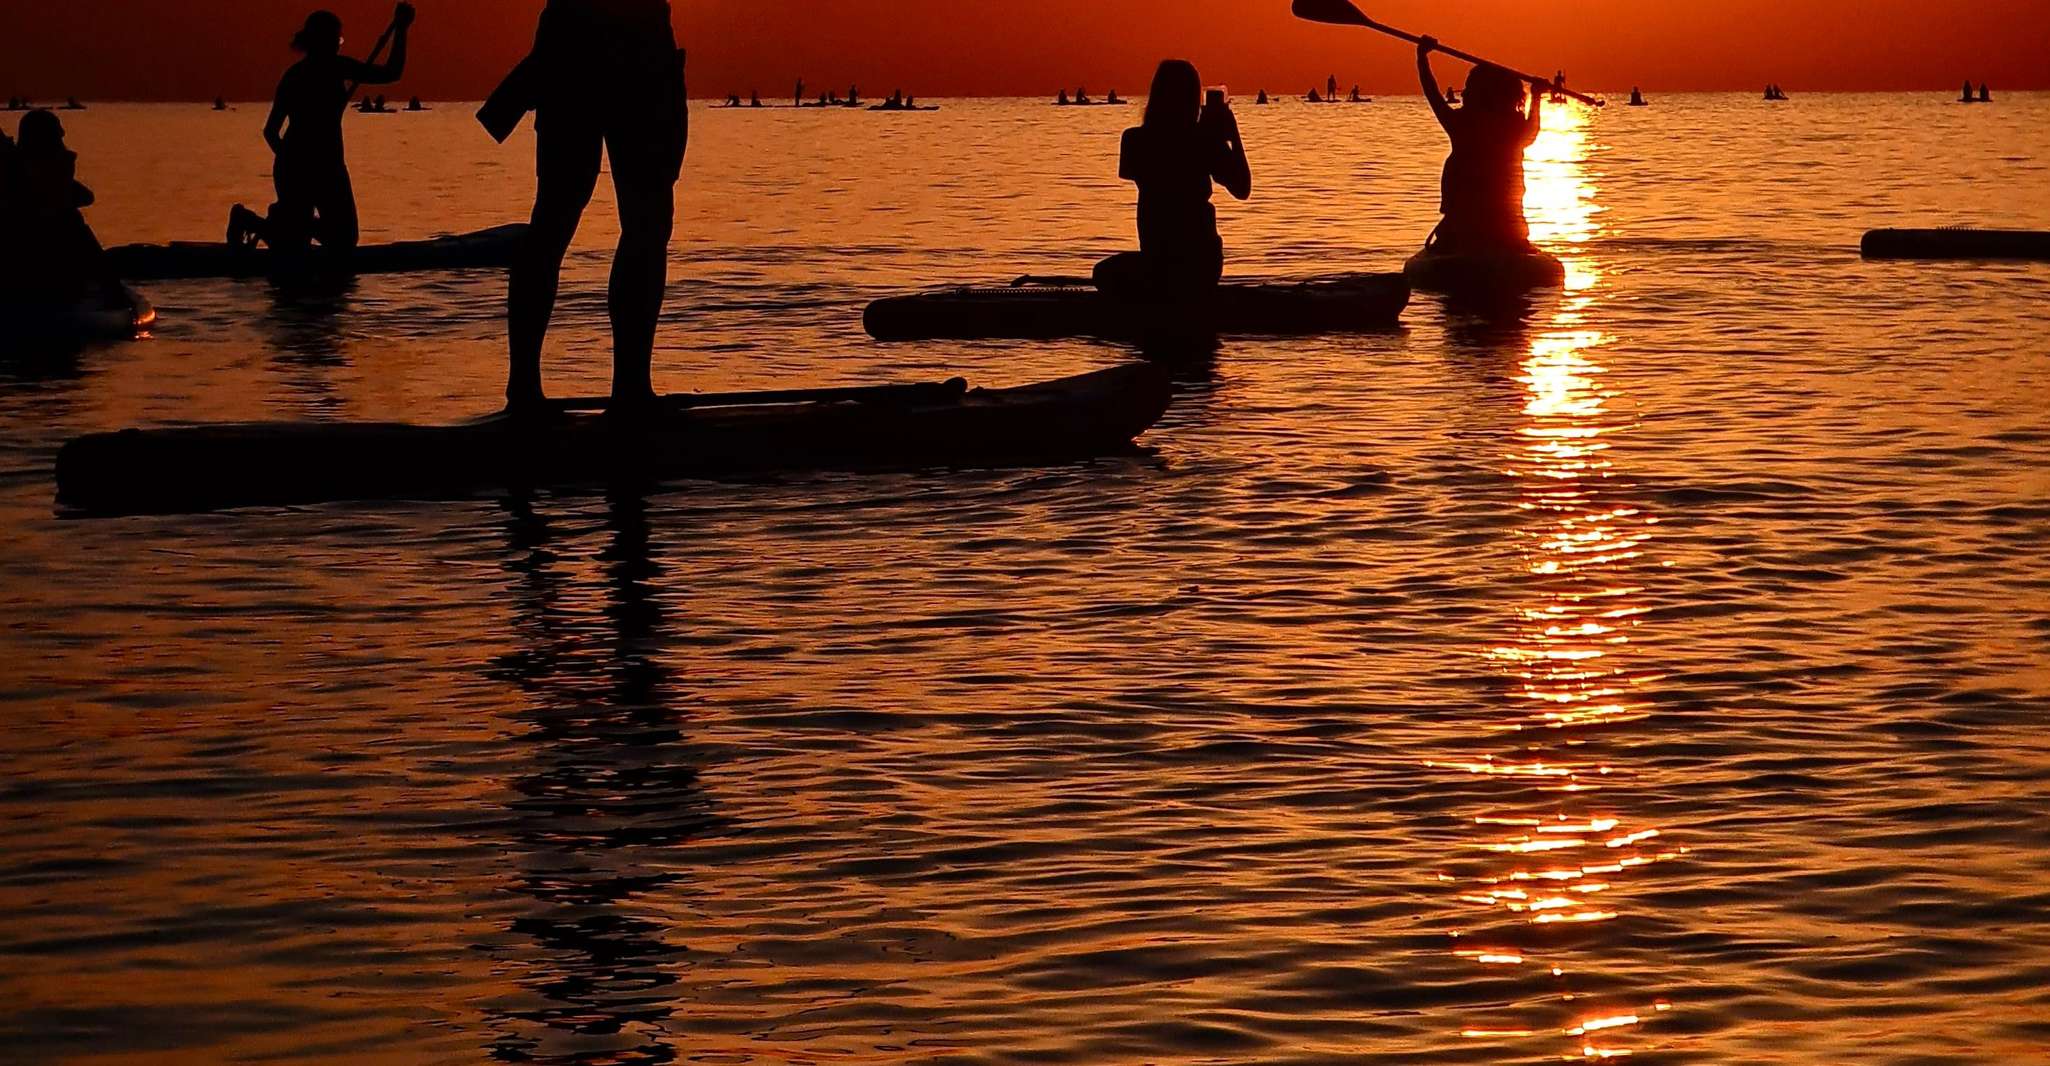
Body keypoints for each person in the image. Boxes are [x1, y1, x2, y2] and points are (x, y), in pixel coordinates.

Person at [484, 0, 687, 417]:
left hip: (601, 49)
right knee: (587, 222)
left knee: (605, 223)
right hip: (600, 50)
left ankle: (616, 388)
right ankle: (542, 389)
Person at [227, 5, 414, 257]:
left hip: (326, 166)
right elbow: (270, 131)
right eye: (337, 39)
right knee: (319, 245)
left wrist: (401, 30)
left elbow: (271, 132)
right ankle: (262, 223)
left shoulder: (307, 72)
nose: (338, 45)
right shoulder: (321, 71)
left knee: (340, 240)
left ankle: (268, 223)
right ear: (323, 41)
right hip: (300, 169)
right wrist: (293, 161)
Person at [1093, 60, 1252, 300]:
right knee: (1107, 273)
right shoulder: (1201, 141)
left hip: (1169, 262)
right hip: (1195, 265)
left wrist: (1218, 138)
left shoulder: (1136, 140)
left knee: (1103, 273)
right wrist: (1231, 135)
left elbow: (1241, 189)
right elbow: (1242, 188)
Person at [1418, 37, 1541, 255]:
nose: (1463, 93)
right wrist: (1537, 96)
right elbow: (1532, 130)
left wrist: (1422, 58)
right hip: (1507, 234)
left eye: (1468, 88)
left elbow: (1432, 94)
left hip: (1465, 233)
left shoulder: (1461, 125)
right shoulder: (1515, 130)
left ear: (1484, 94)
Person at [2, 110, 120, 301]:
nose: (63, 137)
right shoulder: (22, 177)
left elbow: (84, 196)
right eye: (57, 134)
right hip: (39, 271)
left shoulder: (22, 171)